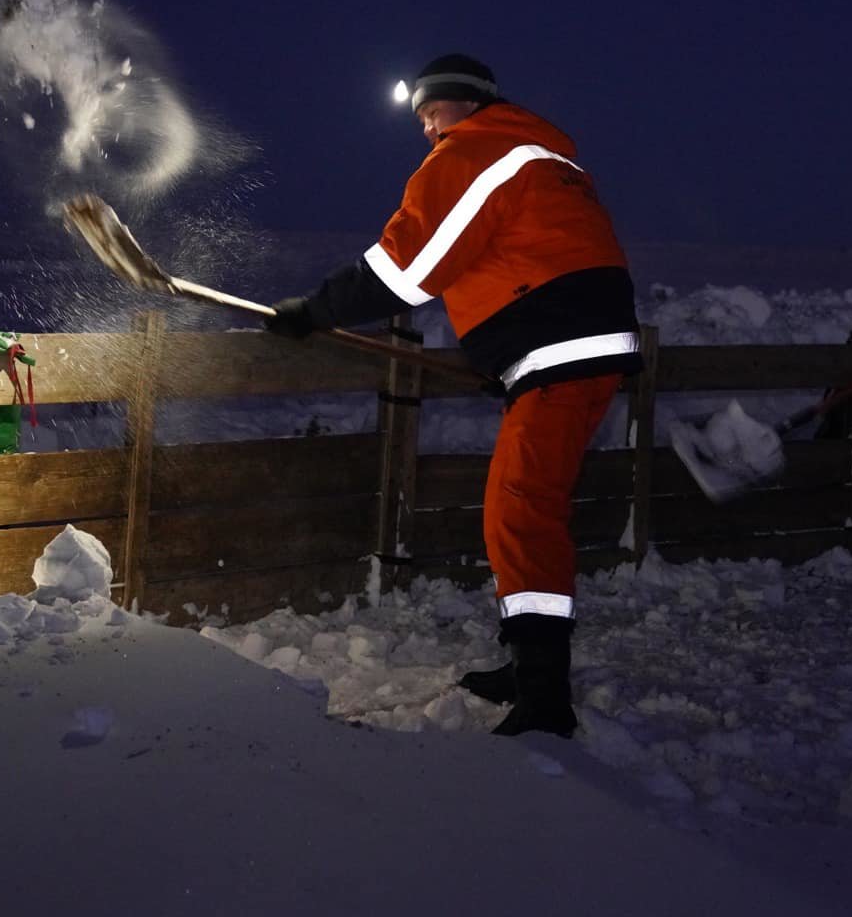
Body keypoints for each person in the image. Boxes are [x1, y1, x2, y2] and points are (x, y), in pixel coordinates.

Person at [265, 54, 643, 736]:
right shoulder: (546, 158)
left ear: (465, 102)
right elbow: (530, 254)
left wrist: (315, 310)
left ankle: (544, 699)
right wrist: (512, 357)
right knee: (525, 509)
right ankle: (528, 669)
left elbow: (405, 271)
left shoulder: (473, 152)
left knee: (520, 513)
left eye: (430, 111)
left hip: (563, 349)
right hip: (582, 346)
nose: (426, 128)